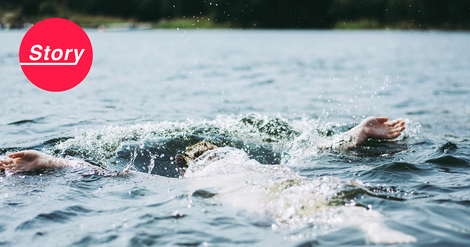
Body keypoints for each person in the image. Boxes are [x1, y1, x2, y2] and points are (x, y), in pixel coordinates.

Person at [0, 117, 405, 174]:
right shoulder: (264, 161)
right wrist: (356, 133)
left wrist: (49, 161)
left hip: (245, 188)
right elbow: (317, 153)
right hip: (279, 176)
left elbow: (109, 175)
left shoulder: (190, 179)